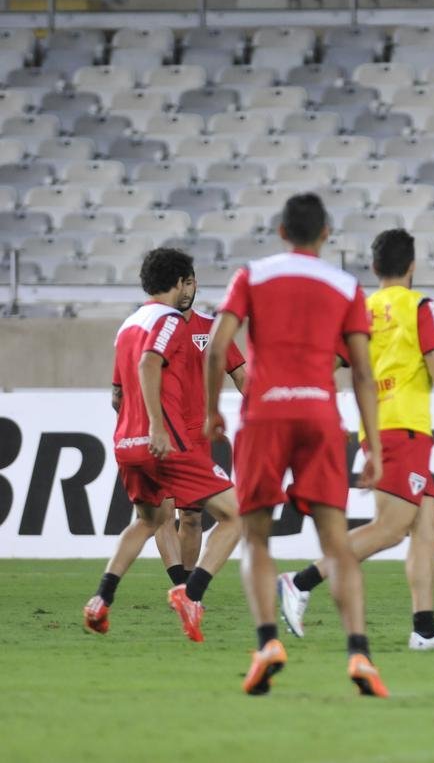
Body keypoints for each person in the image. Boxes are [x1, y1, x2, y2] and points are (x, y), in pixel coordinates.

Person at [204, 193, 389, 697]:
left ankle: (267, 642)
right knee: (336, 544)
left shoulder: (252, 275)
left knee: (257, 537)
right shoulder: (346, 285)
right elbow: (364, 374)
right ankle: (359, 654)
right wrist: (373, 444)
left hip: (264, 414)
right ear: (326, 233)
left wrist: (210, 411)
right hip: (319, 415)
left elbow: (219, 346)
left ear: (282, 232)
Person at [277, 228, 434, 650]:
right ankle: (300, 581)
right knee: (390, 529)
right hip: (404, 428)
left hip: (377, 427)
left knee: (428, 525)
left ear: (373, 268)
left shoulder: (360, 309)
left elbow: (329, 360)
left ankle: (424, 630)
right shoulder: (420, 304)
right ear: (412, 266)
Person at [84, 248, 243, 643]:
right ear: (178, 282)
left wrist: (138, 425)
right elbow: (149, 364)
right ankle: (191, 595)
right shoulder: (169, 319)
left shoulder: (128, 326)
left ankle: (101, 600)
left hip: (127, 442)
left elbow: (117, 396)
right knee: (237, 515)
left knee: (146, 521)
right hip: (168, 442)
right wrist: (157, 425)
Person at [152, 274, 246, 585]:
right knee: (161, 517)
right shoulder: (150, 327)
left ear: (195, 285)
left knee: (192, 519)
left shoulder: (211, 327)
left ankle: (188, 589)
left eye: (191, 282)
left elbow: (242, 375)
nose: (187, 289)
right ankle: (180, 587)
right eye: (181, 283)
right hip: (161, 436)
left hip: (197, 439)